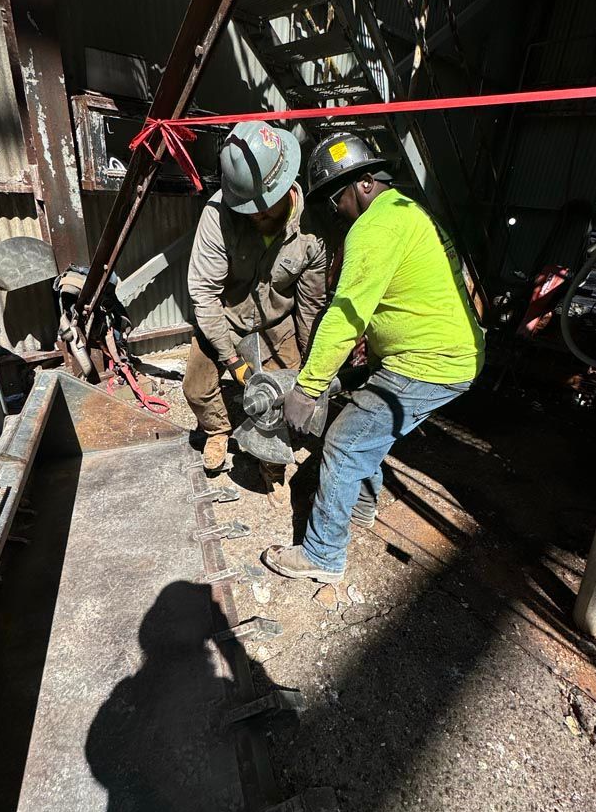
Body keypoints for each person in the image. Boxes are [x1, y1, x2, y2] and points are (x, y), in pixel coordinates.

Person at [262, 131, 485, 581]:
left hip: (429, 361)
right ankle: (360, 507)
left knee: (345, 440)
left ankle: (322, 555)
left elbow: (345, 317)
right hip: (450, 353)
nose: (334, 211)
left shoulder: (375, 226)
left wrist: (307, 388)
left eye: (335, 198)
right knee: (368, 426)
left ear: (362, 185)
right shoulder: (406, 211)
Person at [184, 120, 328, 502]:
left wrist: (309, 364)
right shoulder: (217, 216)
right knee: (196, 389)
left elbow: (311, 304)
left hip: (277, 323)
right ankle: (217, 430)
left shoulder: (314, 228)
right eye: (247, 210)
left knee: (281, 397)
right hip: (226, 319)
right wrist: (232, 358)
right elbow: (204, 294)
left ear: (285, 184)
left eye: (263, 211)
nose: (255, 217)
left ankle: (273, 468)